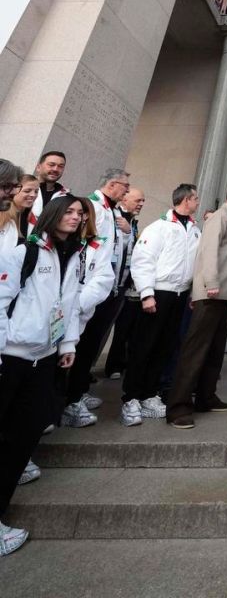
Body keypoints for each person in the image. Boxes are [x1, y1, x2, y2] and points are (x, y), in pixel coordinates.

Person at [0, 195, 85, 556]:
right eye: (69, 211)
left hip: (44, 359)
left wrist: (68, 343)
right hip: (11, 358)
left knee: (24, 437)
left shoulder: (75, 256)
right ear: (52, 214)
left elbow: (70, 303)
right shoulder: (26, 252)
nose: (76, 217)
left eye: (80, 213)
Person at [167, 181, 227, 429]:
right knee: (195, 350)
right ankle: (178, 407)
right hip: (211, 294)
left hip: (223, 295)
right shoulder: (219, 218)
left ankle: (206, 397)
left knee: (214, 350)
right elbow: (208, 251)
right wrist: (211, 281)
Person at [122, 184, 201, 426]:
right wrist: (146, 293)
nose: (198, 202)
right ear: (186, 200)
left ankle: (149, 394)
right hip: (158, 293)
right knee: (144, 346)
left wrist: (191, 293)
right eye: (196, 198)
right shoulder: (159, 227)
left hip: (180, 294)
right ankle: (131, 398)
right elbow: (143, 260)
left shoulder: (194, 230)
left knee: (166, 347)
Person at [62, 169, 133, 427]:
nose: (127, 191)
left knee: (91, 345)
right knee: (81, 346)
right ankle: (70, 400)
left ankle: (79, 391)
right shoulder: (91, 207)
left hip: (107, 286)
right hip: (89, 288)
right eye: (125, 186)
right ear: (112, 185)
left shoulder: (113, 211)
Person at [105, 188, 146, 378]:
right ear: (125, 199)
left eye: (143, 201)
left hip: (126, 284)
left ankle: (118, 364)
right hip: (109, 281)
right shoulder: (116, 217)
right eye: (138, 200)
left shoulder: (132, 221)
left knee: (125, 327)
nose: (141, 204)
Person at [0, 175, 39, 254]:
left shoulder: (30, 217)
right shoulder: (3, 215)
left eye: (36, 191)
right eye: (27, 191)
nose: (33, 195)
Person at [29, 150, 68, 225]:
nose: (55, 169)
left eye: (60, 166)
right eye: (51, 165)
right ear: (38, 167)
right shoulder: (21, 189)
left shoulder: (65, 197)